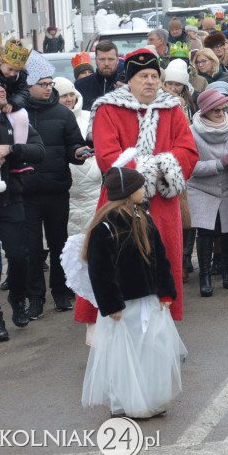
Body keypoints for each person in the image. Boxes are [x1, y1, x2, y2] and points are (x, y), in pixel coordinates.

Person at [74, 48, 199, 331]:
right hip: (121, 199)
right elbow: (108, 155)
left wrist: (164, 165)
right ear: (130, 80)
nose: (150, 81)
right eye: (143, 76)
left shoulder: (173, 108)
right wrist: (143, 174)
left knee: (162, 260)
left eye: (155, 76)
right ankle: (110, 327)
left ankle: (161, 328)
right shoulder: (108, 108)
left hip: (163, 203)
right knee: (116, 260)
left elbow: (188, 150)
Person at [81, 165, 186, 419]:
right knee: (123, 356)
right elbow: (101, 272)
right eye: (140, 187)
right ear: (128, 192)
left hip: (149, 301)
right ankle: (125, 402)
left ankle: (153, 398)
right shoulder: (104, 229)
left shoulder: (143, 219)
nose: (144, 190)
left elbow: (160, 258)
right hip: (123, 306)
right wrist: (111, 304)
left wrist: (165, 292)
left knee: (152, 349)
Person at [23, 55, 90, 319]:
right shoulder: (18, 114)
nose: (49, 88)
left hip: (56, 189)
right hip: (25, 192)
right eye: (42, 84)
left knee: (59, 242)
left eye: (50, 83)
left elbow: (74, 144)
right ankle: (35, 298)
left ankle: (61, 292)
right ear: (28, 85)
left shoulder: (62, 114)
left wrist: (79, 152)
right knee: (31, 249)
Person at [0, 71, 45, 341]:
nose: (3, 91)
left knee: (20, 255)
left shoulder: (16, 119)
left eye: (3, 86)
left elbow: (39, 151)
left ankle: (17, 298)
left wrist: (11, 149)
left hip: (11, 200)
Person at [187, 89, 228, 297]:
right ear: (204, 112)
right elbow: (190, 168)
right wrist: (219, 164)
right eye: (216, 110)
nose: (221, 113)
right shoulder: (191, 132)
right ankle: (205, 275)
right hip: (201, 189)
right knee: (206, 233)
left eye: (224, 109)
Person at [55, 77, 101, 246]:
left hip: (92, 186)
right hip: (67, 187)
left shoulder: (90, 117)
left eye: (71, 94)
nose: (69, 99)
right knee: (69, 240)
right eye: (63, 96)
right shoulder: (51, 118)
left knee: (93, 237)